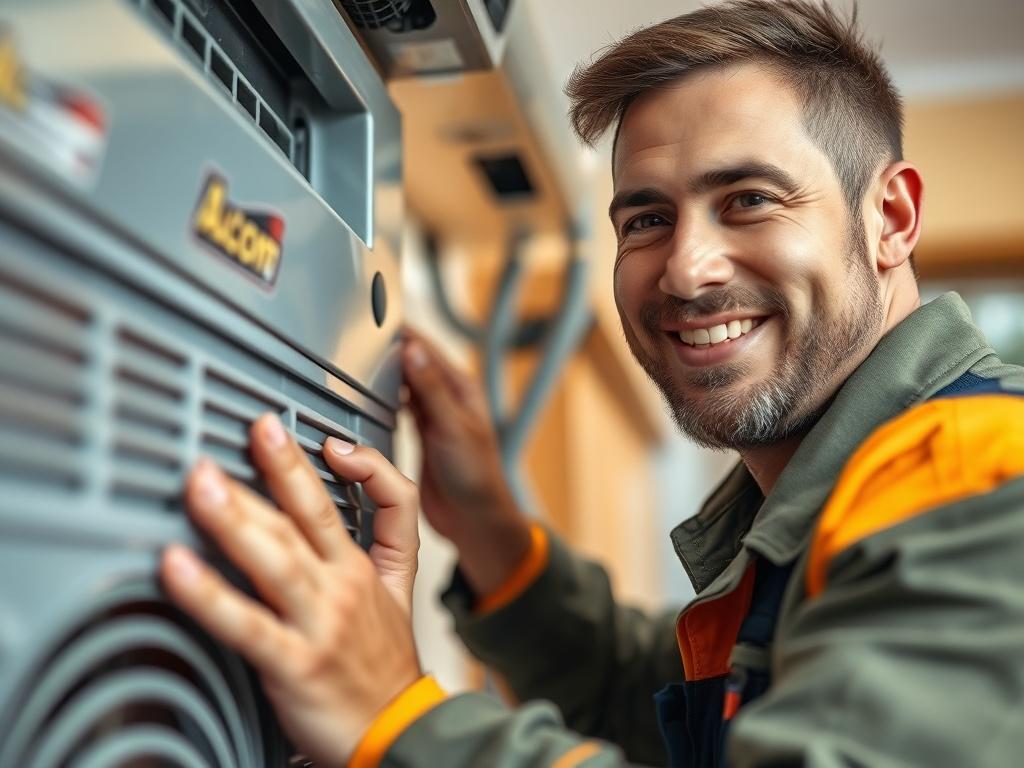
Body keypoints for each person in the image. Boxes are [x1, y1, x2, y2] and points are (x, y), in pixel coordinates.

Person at [160, 1, 1024, 766]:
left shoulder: (980, 477)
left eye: (750, 199)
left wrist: (397, 720)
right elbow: (665, 709)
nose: (686, 270)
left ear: (891, 219)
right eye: (646, 219)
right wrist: (495, 536)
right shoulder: (826, 512)